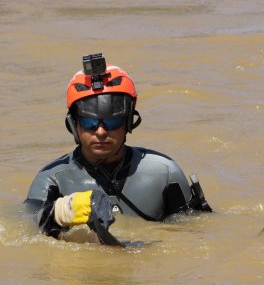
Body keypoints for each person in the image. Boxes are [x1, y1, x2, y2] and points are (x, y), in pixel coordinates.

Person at [25, 53, 212, 241]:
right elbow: (21, 229)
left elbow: (195, 234)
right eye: (90, 122)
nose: (100, 132)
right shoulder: (52, 180)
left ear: (129, 122)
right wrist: (67, 210)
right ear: (74, 124)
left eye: (112, 121)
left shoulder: (165, 173)